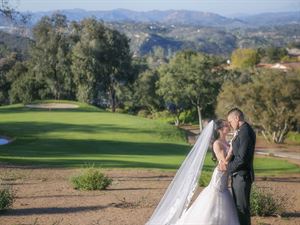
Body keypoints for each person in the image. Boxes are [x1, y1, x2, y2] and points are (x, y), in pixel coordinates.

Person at [175, 119, 239, 225]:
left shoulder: (226, 142)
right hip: (220, 174)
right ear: (220, 129)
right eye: (226, 125)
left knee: (225, 197)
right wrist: (232, 149)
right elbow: (224, 161)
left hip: (226, 175)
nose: (229, 126)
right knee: (216, 197)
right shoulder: (217, 143)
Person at [223, 108, 256, 225]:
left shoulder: (245, 132)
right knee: (239, 208)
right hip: (238, 176)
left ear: (237, 118)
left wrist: (228, 168)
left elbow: (242, 158)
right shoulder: (242, 131)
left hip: (242, 176)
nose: (230, 125)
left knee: (242, 209)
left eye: (230, 121)